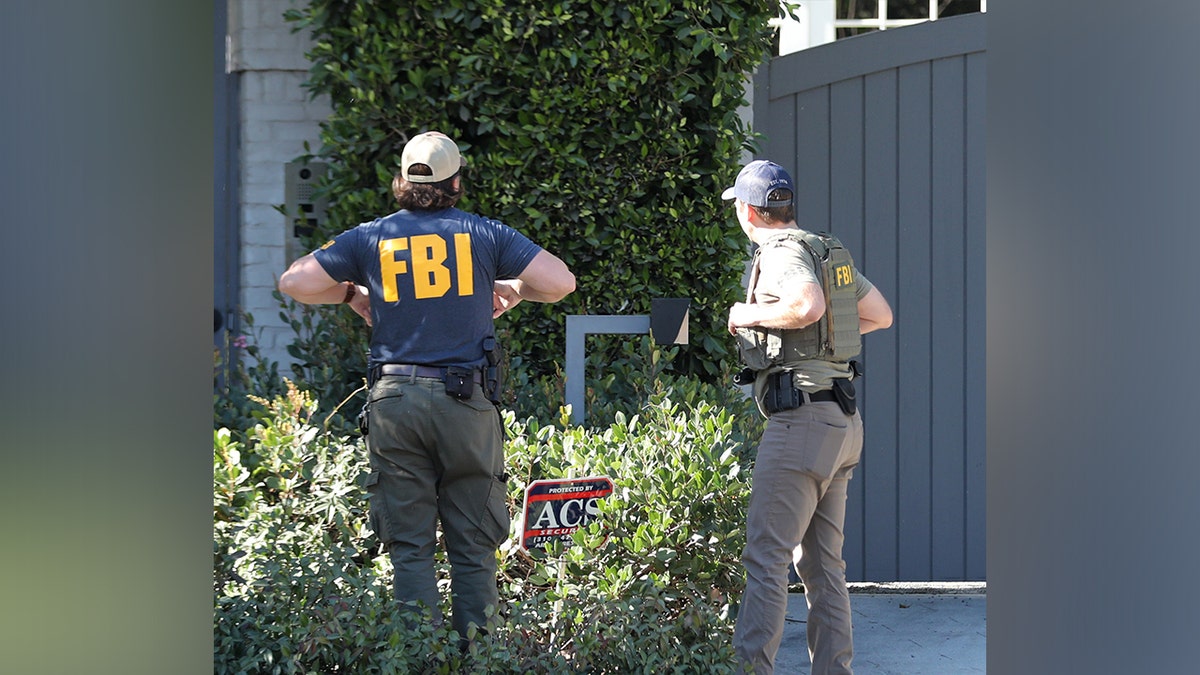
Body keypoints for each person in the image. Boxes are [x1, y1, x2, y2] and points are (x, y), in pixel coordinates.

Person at [278, 131, 575, 641]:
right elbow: (561, 281)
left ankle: (418, 656)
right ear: (456, 181)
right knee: (474, 542)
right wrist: (513, 291)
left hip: (393, 401)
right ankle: (478, 657)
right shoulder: (484, 234)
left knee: (410, 547)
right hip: (465, 403)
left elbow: (295, 282)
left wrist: (351, 291)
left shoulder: (370, 236)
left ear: (401, 181)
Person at [724, 160, 893, 674]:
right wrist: (821, 343)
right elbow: (879, 314)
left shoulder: (780, 254)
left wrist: (744, 314)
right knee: (824, 569)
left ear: (751, 211)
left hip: (800, 422)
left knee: (766, 561)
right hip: (842, 424)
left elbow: (807, 304)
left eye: (737, 205)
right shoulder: (825, 248)